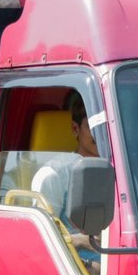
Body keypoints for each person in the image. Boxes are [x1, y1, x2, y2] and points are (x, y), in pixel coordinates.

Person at [30, 92, 101, 253]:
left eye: (106, 128)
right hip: (82, 270)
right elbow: (42, 237)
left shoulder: (122, 171)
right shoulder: (54, 173)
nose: (101, 135)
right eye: (92, 128)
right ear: (75, 129)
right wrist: (81, 240)